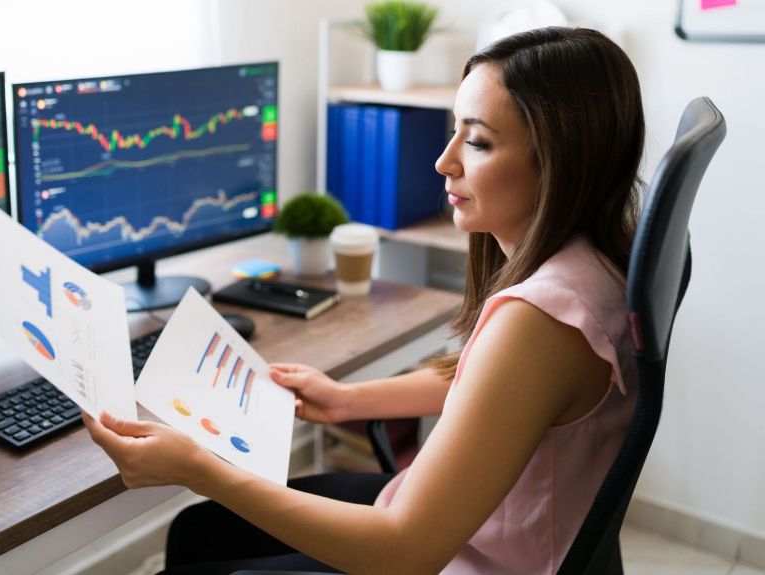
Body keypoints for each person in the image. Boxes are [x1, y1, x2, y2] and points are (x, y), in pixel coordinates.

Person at [84, 26, 645, 575]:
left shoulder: (539, 320)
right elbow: (496, 392)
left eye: (477, 141)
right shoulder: (595, 264)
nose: (444, 161)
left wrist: (198, 469)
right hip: (480, 533)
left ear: (560, 162)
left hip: (453, 555)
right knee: (198, 532)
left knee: (195, 548)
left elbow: (403, 553)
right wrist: (346, 401)